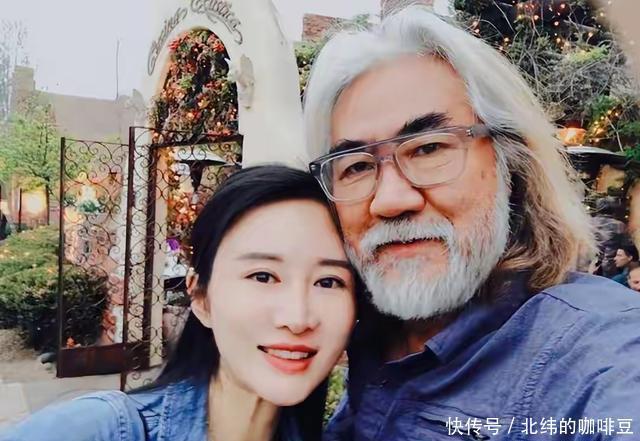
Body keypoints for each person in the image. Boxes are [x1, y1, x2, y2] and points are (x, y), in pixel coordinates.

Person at [304, 6, 640, 440]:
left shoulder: (598, 355)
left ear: (511, 165)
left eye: (428, 148)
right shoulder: (362, 339)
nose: (389, 200)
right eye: (355, 166)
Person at [0, 165, 356, 441]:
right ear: (201, 297)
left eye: (328, 281)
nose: (297, 317)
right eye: (262, 276)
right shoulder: (97, 430)